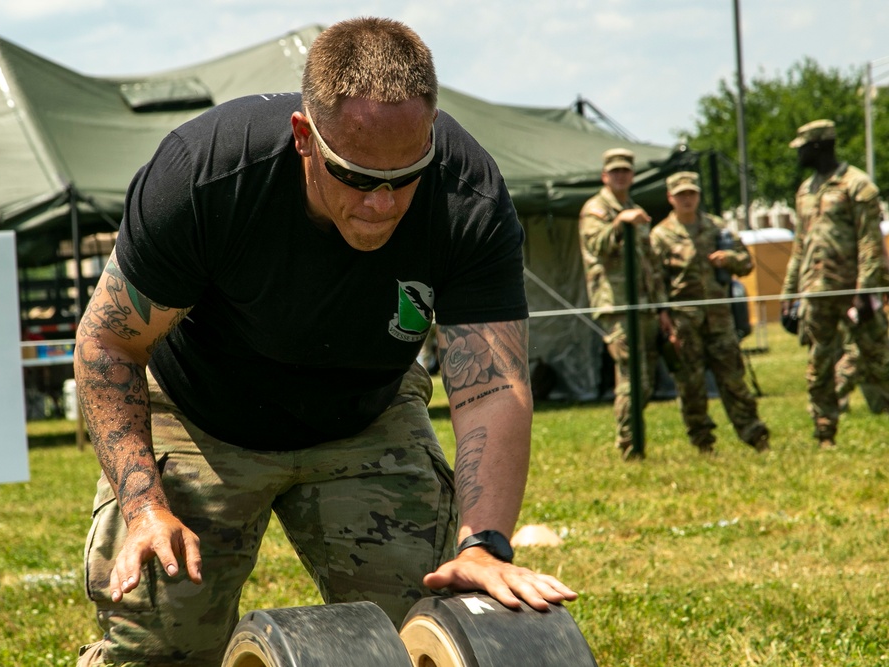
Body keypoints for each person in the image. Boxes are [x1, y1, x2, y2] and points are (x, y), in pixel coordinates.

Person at [73, 17, 576, 666]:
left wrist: (485, 545)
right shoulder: (205, 176)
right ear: (305, 139)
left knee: (423, 626)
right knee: (161, 646)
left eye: (408, 175)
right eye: (359, 177)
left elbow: (491, 385)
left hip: (363, 415)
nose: (384, 204)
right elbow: (107, 343)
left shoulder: (466, 194)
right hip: (203, 418)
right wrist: (143, 503)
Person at [780, 119, 889, 449]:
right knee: (819, 365)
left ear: (818, 147)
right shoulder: (805, 191)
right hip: (816, 293)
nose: (797, 154)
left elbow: (870, 242)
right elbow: (800, 245)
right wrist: (788, 293)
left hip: (854, 292)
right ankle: (825, 433)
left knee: (879, 359)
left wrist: (864, 291)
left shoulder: (856, 185)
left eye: (802, 148)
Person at [650, 172, 770, 454]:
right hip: (684, 320)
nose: (687, 199)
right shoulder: (661, 235)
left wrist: (730, 259)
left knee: (733, 380)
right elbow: (653, 279)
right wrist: (662, 313)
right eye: (681, 195)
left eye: (691, 193)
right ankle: (703, 442)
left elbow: (746, 263)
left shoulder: (718, 228)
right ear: (670, 198)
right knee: (691, 385)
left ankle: (756, 436)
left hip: (719, 318)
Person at [579, 148, 671, 460]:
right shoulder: (595, 210)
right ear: (605, 176)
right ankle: (630, 447)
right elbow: (599, 246)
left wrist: (661, 308)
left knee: (645, 381)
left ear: (632, 176)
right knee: (631, 377)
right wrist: (620, 222)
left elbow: (650, 265)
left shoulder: (636, 209)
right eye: (614, 171)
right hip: (617, 306)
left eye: (625, 171)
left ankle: (632, 439)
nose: (620, 176)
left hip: (643, 304)